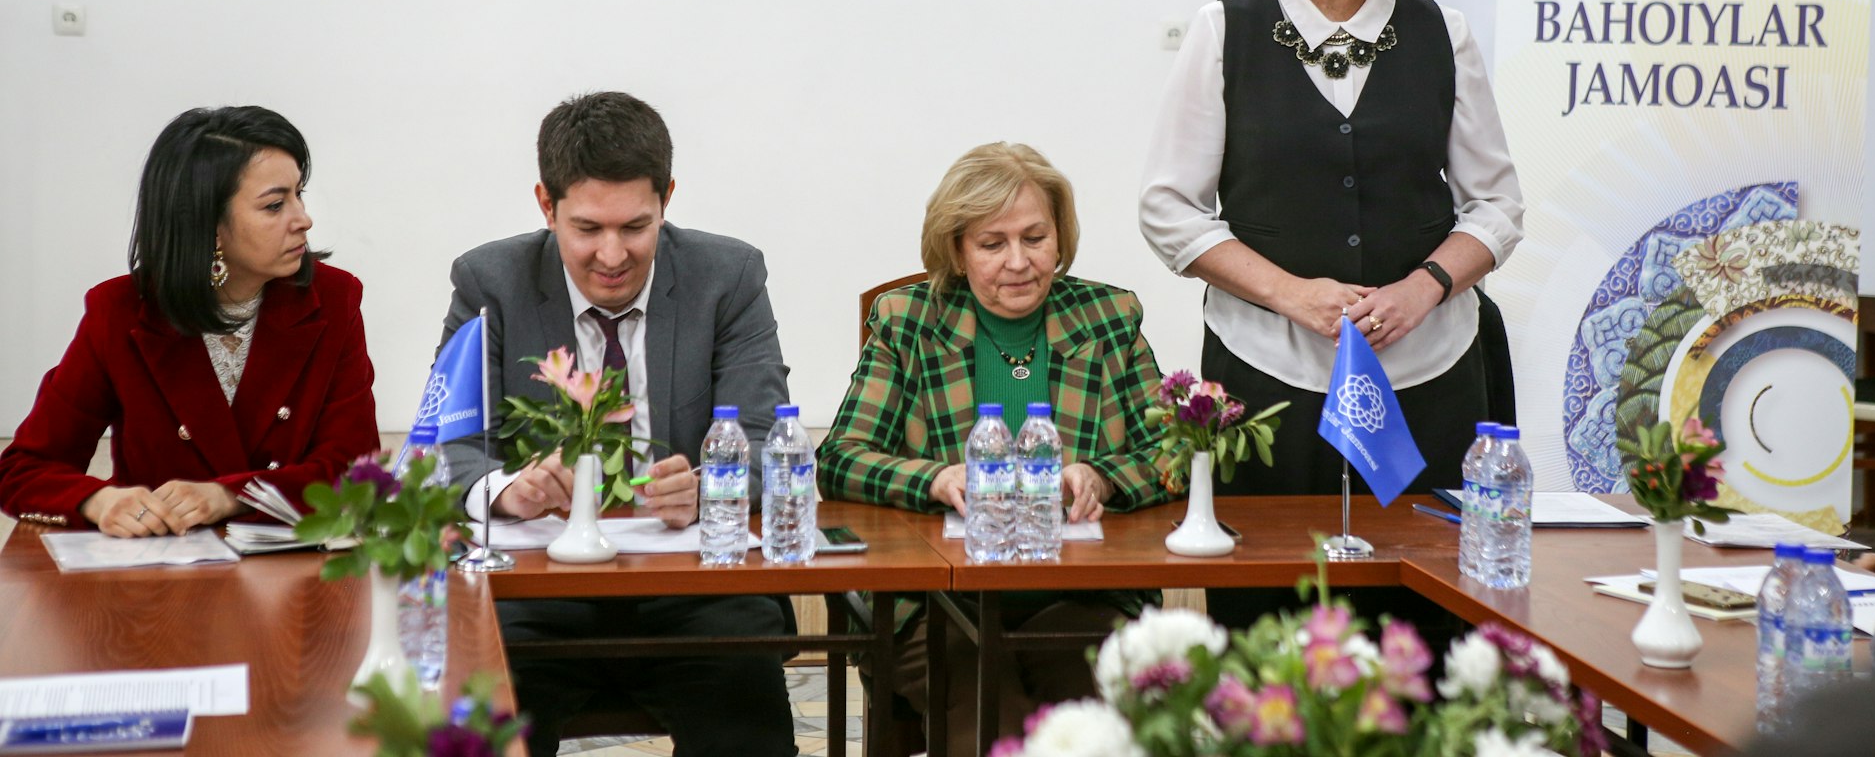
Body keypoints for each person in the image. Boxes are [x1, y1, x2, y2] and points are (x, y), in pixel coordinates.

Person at [1139, 0, 1524, 628]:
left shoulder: (1440, 35)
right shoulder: (1225, 31)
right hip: (1266, 379)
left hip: (1428, 371)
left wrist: (1425, 288)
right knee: (1271, 625)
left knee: (1431, 624)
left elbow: (1497, 204)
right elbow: (1169, 209)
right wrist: (1291, 294)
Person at [439, 91, 794, 757]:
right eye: (587, 228)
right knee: (482, 720)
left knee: (745, 708)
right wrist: (505, 489)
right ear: (546, 205)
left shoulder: (729, 276)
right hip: (535, 594)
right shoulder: (490, 282)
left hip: (694, 591)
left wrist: (710, 486)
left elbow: (766, 444)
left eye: (635, 227)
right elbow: (448, 450)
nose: (612, 254)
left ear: (667, 200)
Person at [820, 141, 1171, 756]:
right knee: (990, 719)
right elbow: (841, 457)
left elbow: (1171, 452)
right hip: (933, 603)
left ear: (1060, 239)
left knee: (1093, 724)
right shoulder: (907, 321)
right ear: (956, 250)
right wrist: (934, 479)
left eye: (1035, 238)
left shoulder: (1110, 318)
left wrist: (1104, 477)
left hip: (1078, 596)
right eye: (992, 244)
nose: (1018, 262)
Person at [0, 106, 377, 534]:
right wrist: (99, 501)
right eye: (275, 205)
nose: (303, 219)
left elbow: (357, 475)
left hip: (293, 578)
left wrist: (230, 495)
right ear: (208, 225)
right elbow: (25, 469)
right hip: (159, 580)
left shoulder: (332, 299)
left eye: (298, 194)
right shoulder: (121, 311)